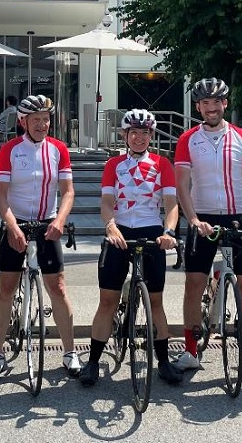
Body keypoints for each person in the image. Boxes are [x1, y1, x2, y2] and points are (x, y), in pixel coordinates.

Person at [173, 78, 242, 384]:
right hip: (202, 216)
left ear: (225, 104)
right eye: (205, 103)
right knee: (193, 284)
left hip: (238, 214)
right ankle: (191, 352)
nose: (211, 108)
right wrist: (192, 219)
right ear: (198, 106)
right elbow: (181, 186)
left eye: (217, 102)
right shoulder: (188, 139)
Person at [79, 110, 184, 387]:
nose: (139, 138)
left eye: (145, 133)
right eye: (134, 133)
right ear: (125, 135)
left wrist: (169, 232)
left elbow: (171, 206)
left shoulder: (162, 164)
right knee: (107, 301)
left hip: (151, 231)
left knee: (157, 302)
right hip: (120, 230)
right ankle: (92, 361)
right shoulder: (114, 165)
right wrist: (110, 226)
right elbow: (105, 203)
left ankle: (163, 362)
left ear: (151, 135)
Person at [0, 95, 80, 379]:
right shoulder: (10, 150)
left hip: (48, 223)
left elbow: (69, 191)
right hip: (18, 222)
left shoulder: (58, 149)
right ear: (22, 121)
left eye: (46, 119)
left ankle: (70, 351)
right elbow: (0, 196)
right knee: (6, 289)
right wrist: (12, 226)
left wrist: (60, 220)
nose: (42, 125)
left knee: (58, 288)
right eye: (36, 120)